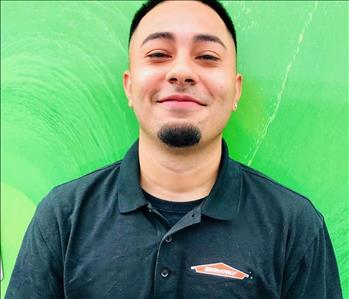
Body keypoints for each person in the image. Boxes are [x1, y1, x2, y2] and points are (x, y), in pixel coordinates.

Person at [6, 0, 342, 298]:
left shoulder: (294, 226)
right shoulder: (64, 216)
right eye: (158, 55)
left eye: (207, 57)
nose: (181, 72)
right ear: (129, 85)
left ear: (236, 90)